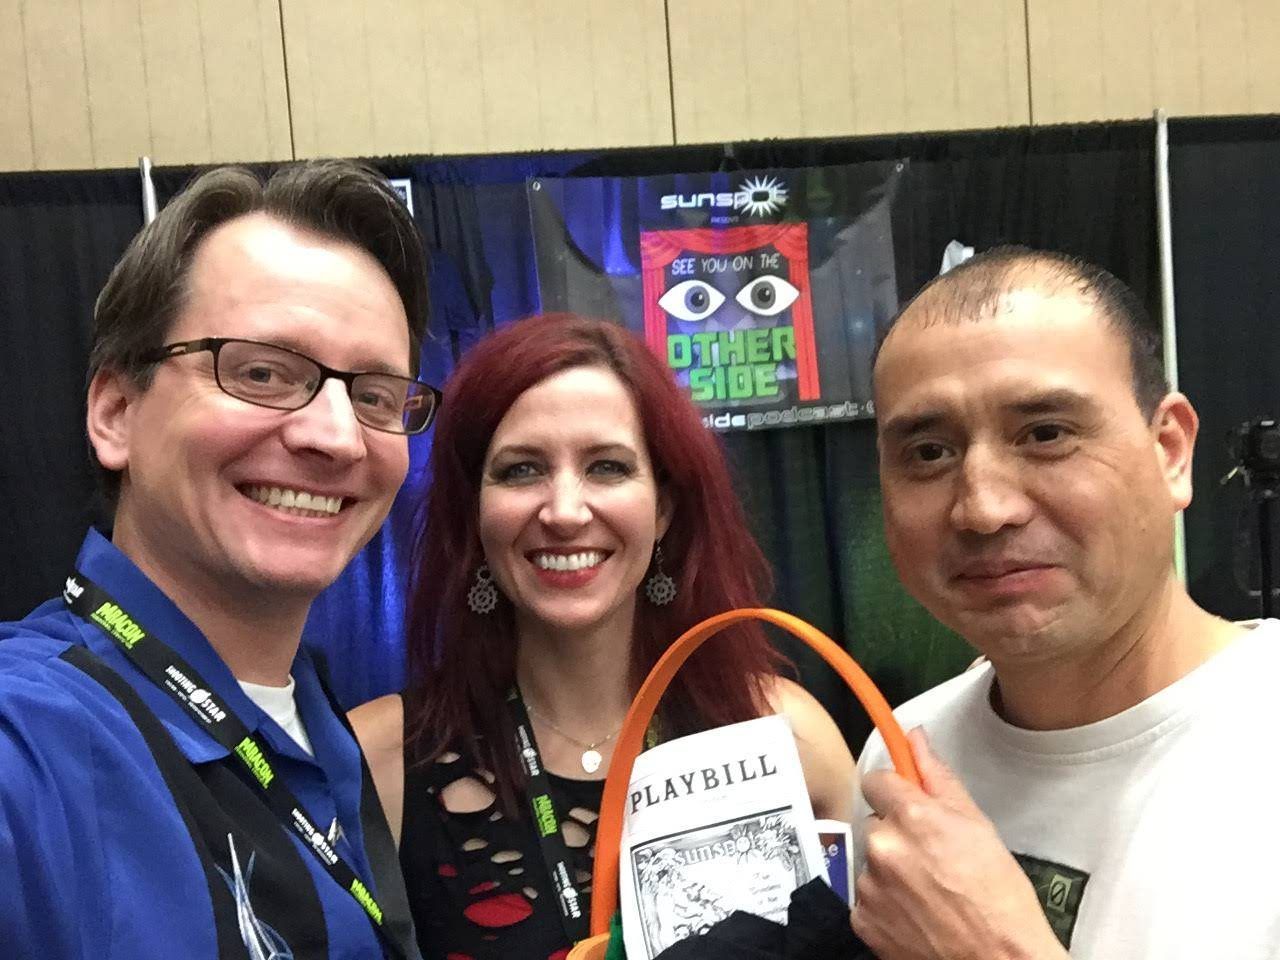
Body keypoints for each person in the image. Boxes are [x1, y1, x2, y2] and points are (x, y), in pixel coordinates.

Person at [0, 160, 439, 960]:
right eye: (262, 372)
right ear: (116, 412)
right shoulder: (29, 744)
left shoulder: (321, 729)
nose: (337, 436)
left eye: (374, 394)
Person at [351, 313, 857, 960]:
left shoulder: (790, 737)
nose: (564, 511)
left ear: (665, 508)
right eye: (521, 470)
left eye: (608, 467)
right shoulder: (375, 763)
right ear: (474, 515)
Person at [853, 246, 1280, 959]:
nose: (983, 509)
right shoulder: (906, 759)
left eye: (1046, 434)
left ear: (1169, 450)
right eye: (928, 453)